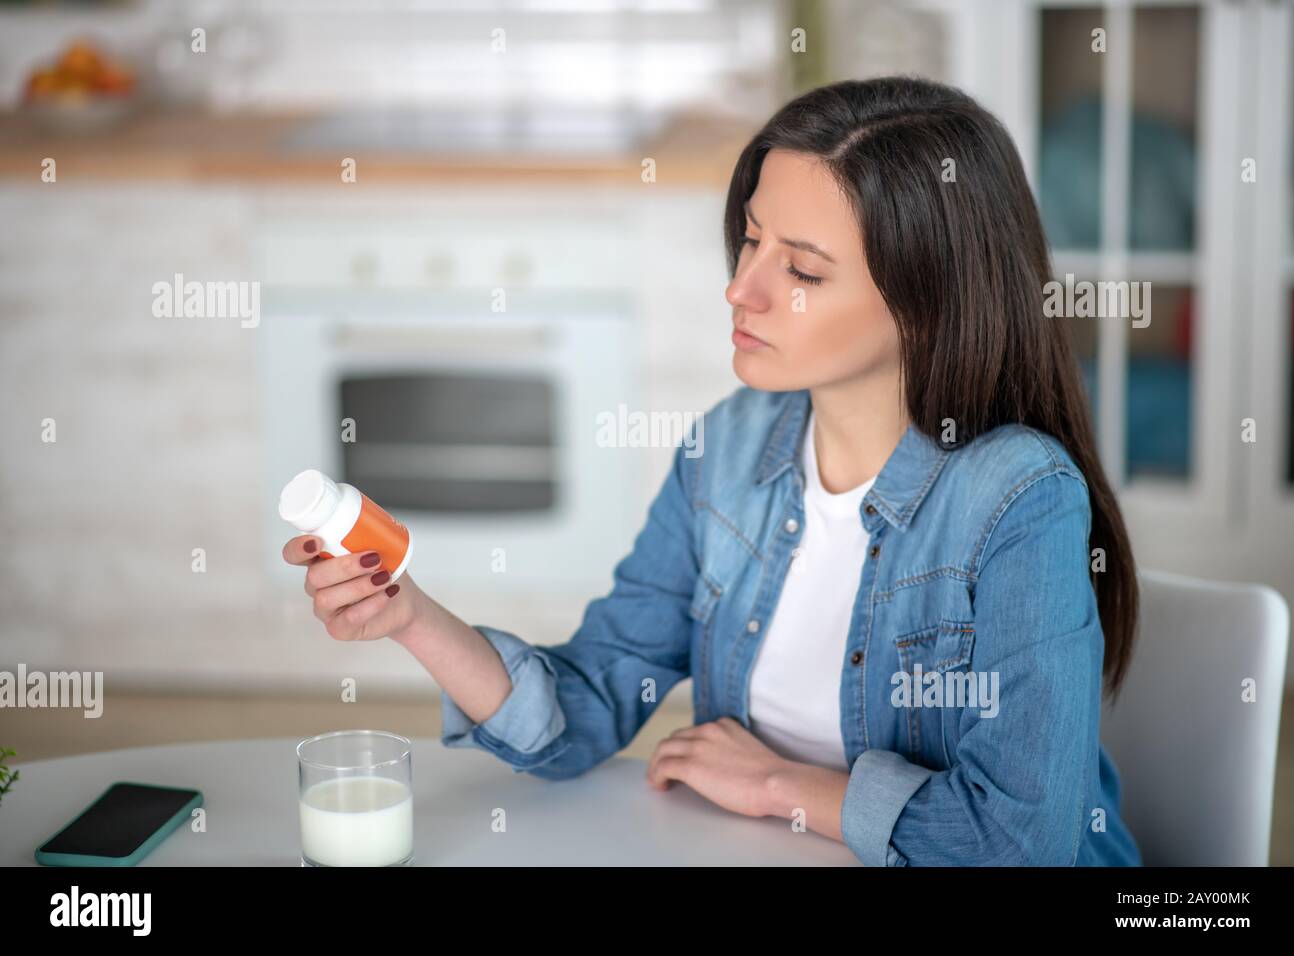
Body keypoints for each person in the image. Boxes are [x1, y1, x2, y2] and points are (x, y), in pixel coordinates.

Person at [282, 76, 1143, 866]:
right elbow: (585, 705)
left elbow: (1025, 841)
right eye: (751, 241)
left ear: (927, 300)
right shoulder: (728, 451)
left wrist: (783, 787)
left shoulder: (1018, 501)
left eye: (802, 269)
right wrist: (408, 614)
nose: (743, 289)